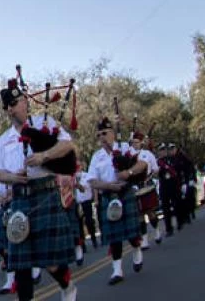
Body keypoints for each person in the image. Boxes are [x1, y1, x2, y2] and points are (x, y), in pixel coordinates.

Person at [0, 79, 77, 301]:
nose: (16, 107)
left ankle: (67, 287)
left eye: (19, 101)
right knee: (22, 265)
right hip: (19, 200)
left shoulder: (44, 123)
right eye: (13, 104)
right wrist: (14, 177)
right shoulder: (3, 140)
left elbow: (67, 145)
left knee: (53, 264)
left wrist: (44, 156)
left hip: (45, 194)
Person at [87, 118, 144, 285]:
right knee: (115, 238)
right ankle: (117, 270)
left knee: (132, 234)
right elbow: (91, 180)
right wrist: (108, 185)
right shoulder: (96, 157)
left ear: (112, 133)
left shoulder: (124, 148)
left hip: (125, 193)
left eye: (104, 133)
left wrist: (129, 173)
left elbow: (142, 163)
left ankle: (137, 249)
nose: (101, 137)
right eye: (98, 135)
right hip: (108, 196)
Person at [128, 132, 161, 247]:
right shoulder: (128, 154)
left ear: (141, 142)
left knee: (150, 212)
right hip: (135, 186)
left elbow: (156, 169)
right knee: (139, 214)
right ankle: (145, 240)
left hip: (147, 184)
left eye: (136, 142)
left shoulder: (147, 154)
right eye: (133, 142)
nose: (134, 144)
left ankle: (156, 231)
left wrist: (151, 174)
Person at [155, 144, 180, 236]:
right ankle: (168, 228)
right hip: (164, 186)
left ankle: (179, 222)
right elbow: (155, 173)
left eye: (164, 150)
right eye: (161, 150)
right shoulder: (157, 162)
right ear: (158, 152)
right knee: (166, 208)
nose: (163, 152)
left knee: (176, 204)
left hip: (173, 185)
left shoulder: (171, 159)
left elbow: (176, 170)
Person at [74, 170, 97, 249]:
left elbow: (93, 187)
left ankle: (94, 239)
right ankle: (82, 245)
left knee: (89, 221)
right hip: (77, 203)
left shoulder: (87, 175)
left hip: (86, 201)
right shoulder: (71, 176)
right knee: (79, 224)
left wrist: (95, 199)